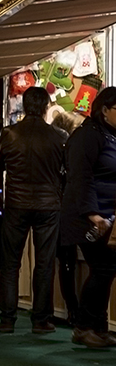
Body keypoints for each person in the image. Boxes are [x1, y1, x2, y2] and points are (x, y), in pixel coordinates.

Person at [0, 86, 66, 334]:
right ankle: (40, 320)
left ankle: (6, 319)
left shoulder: (8, 134)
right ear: (46, 106)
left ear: (25, 106)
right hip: (49, 205)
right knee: (45, 264)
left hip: (16, 203)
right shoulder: (60, 136)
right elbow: (65, 172)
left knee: (11, 263)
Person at [60, 87, 116, 348]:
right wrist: (93, 214)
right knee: (103, 268)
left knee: (105, 269)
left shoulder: (108, 134)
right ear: (105, 110)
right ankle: (85, 327)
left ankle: (96, 327)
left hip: (106, 216)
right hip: (88, 217)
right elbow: (80, 177)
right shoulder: (87, 136)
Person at [51, 111, 85, 325]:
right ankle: (76, 310)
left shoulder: (53, 153)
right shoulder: (74, 152)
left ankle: (69, 309)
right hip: (71, 213)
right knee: (70, 263)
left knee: (61, 263)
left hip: (55, 212)